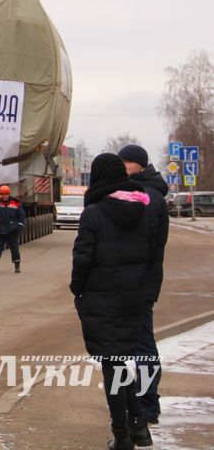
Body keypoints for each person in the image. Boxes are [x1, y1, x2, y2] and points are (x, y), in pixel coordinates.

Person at [71, 153, 153, 450]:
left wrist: (76, 289)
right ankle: (140, 428)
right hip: (130, 297)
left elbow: (82, 258)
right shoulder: (140, 209)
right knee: (119, 362)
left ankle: (122, 436)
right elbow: (149, 253)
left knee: (112, 367)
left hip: (101, 298)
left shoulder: (93, 213)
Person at [118, 144, 169, 425]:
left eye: (127, 161)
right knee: (138, 346)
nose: (123, 165)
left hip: (139, 282)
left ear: (139, 164)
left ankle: (147, 405)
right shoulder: (146, 190)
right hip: (140, 281)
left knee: (143, 348)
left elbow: (142, 242)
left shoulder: (147, 196)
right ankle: (142, 402)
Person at [0, 185, 25, 273]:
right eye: (2, 194)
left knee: (14, 248)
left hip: (12, 230)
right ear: (0, 194)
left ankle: (17, 266)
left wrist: (19, 227)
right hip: (0, 230)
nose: (4, 196)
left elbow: (21, 216)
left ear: (8, 194)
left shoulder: (16, 203)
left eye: (6, 194)